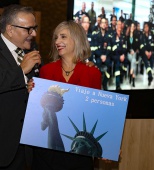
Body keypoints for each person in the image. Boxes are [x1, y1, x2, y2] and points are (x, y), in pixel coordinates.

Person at [31, 20, 101, 170]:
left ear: (76, 39)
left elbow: (97, 113)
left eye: (63, 37)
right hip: (47, 152)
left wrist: (108, 144)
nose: (57, 41)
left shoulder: (93, 73)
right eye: (56, 37)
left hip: (78, 152)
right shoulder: (46, 71)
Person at [0, 4, 41, 169]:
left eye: (35, 28)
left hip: (25, 148)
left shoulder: (31, 51)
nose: (34, 34)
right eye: (29, 29)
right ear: (10, 29)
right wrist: (21, 71)